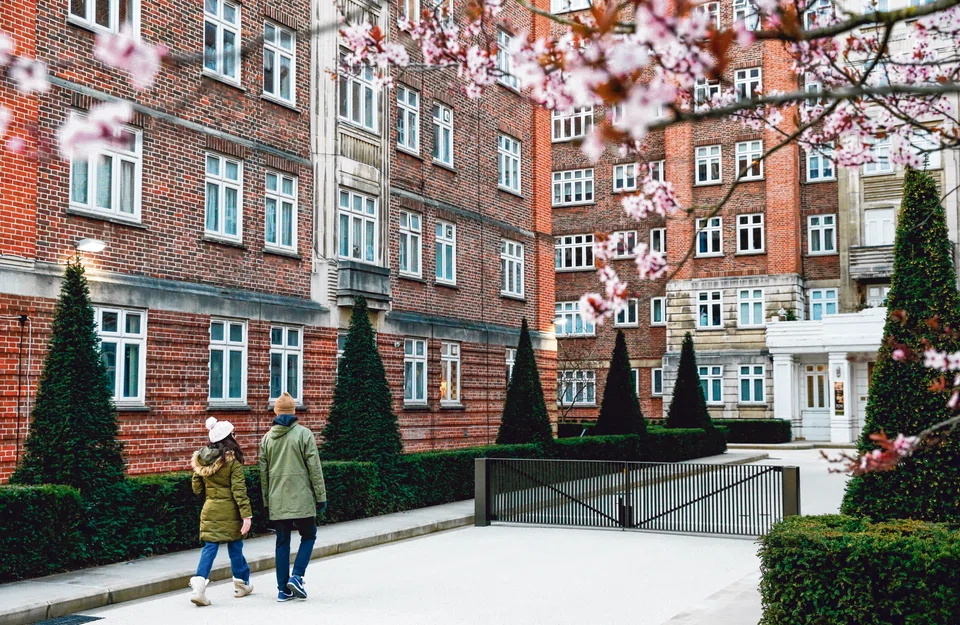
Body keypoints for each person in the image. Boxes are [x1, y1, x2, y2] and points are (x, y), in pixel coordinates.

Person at [259, 392, 327, 602]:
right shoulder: (304, 434)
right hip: (302, 497)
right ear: (294, 412)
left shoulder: (267, 438)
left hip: (277, 498)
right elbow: (314, 468)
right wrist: (321, 496)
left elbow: (263, 473)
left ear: (276, 412)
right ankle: (297, 575)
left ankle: (282, 589)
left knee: (282, 542)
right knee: (309, 535)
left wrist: (266, 501)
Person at [188, 417, 254, 607]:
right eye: (234, 434)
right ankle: (241, 583)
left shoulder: (201, 458)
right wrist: (246, 516)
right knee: (235, 546)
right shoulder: (232, 461)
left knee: (210, 548)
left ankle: (199, 585)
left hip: (210, 508)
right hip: (231, 510)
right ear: (228, 438)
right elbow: (239, 491)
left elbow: (197, 488)